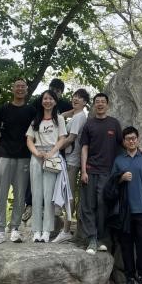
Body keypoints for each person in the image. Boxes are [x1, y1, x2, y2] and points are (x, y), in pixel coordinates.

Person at [110, 126, 142, 284]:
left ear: (138, 139)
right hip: (124, 211)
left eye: (134, 138)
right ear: (124, 142)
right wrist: (121, 178)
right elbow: (111, 183)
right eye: (128, 139)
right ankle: (130, 279)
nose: (131, 141)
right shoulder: (118, 160)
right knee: (126, 246)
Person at [0, 78, 36, 244]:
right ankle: (1, 230)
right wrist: (2, 146)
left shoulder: (31, 111)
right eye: (17, 86)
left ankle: (15, 229)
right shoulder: (3, 109)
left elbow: (37, 132)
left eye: (23, 86)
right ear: (12, 89)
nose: (20, 89)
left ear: (26, 90)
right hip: (4, 156)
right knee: (1, 193)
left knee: (20, 194)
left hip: (24, 157)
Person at [22, 78, 73, 223]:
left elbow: (77, 111)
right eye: (52, 89)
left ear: (61, 93)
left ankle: (55, 205)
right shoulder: (39, 101)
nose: (51, 97)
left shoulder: (64, 104)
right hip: (37, 147)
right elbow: (30, 117)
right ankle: (30, 204)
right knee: (33, 179)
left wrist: (63, 115)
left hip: (56, 148)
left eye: (57, 91)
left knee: (56, 177)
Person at [80, 92, 123, 254]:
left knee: (103, 205)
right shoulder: (89, 124)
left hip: (107, 172)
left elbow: (124, 143)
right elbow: (84, 148)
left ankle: (101, 238)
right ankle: (92, 238)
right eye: (97, 101)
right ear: (94, 105)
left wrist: (140, 150)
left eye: (103, 101)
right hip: (91, 170)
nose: (100, 104)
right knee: (88, 205)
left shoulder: (114, 123)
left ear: (107, 105)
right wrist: (83, 170)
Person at [26, 89, 67, 242]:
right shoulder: (36, 119)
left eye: (50, 99)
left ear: (55, 101)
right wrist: (36, 153)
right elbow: (29, 140)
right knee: (36, 194)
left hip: (52, 157)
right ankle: (36, 230)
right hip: (36, 157)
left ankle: (47, 231)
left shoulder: (59, 119)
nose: (47, 101)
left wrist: (51, 153)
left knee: (49, 195)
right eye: (45, 98)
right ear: (42, 101)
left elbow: (62, 138)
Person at [53, 88, 90, 243]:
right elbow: (62, 116)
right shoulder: (77, 115)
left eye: (79, 98)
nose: (75, 99)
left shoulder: (79, 117)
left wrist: (53, 149)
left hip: (72, 160)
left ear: (85, 102)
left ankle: (66, 230)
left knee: (68, 194)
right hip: (68, 158)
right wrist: (69, 112)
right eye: (74, 96)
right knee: (66, 192)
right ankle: (64, 228)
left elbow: (70, 139)